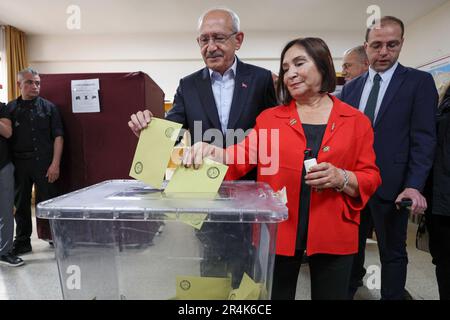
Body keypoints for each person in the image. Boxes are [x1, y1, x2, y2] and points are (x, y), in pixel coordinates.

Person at [182, 37, 381, 300]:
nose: (291, 73)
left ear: (323, 65)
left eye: (299, 63)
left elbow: (370, 176)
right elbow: (241, 155)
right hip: (280, 228)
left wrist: (341, 177)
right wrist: (213, 152)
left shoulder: (356, 121)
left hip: (335, 230)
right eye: (286, 68)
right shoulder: (270, 119)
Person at [128, 8, 277, 287]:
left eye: (219, 38)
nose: (211, 47)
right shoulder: (188, 84)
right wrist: (148, 130)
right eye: (203, 40)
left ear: (238, 40)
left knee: (251, 271)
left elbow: (274, 131)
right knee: (211, 267)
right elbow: (173, 131)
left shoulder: (261, 80)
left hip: (251, 190)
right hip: (206, 194)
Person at [340, 16, 438, 300]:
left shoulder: (419, 82)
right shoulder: (351, 88)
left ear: (402, 44)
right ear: (366, 46)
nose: (384, 52)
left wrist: (414, 185)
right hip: (352, 186)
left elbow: (424, 139)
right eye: (377, 45)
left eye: (392, 45)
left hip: (393, 187)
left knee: (393, 253)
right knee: (349, 251)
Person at [7, 68, 64, 255]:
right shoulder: (10, 109)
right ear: (19, 85)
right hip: (19, 164)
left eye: (37, 82)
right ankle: (22, 241)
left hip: (44, 163)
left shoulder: (49, 108)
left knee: (49, 202)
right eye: (30, 82)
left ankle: (55, 237)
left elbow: (58, 137)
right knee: (21, 204)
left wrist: (55, 164)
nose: (35, 86)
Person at [428, 83, 450, 300]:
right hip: (441, 200)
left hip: (440, 201)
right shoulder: (441, 109)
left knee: (444, 261)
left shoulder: (440, 111)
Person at [0, 101, 24, 266]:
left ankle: (5, 251)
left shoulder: (1, 107)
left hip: (2, 165)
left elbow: (8, 132)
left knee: (5, 211)